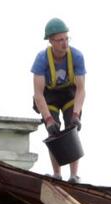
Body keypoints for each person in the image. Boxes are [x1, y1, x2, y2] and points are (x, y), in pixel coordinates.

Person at [31, 17, 86, 183]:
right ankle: (57, 174)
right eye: (60, 40)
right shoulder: (41, 59)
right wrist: (48, 119)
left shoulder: (76, 56)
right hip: (49, 98)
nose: (64, 43)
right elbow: (38, 94)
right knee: (53, 131)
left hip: (69, 95)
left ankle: (74, 175)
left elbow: (81, 89)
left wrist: (76, 114)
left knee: (72, 128)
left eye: (66, 38)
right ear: (51, 41)